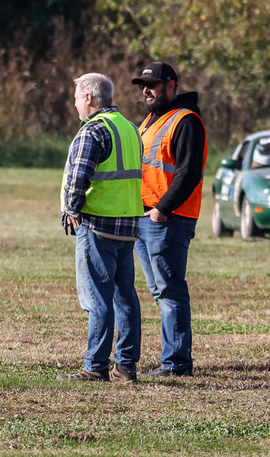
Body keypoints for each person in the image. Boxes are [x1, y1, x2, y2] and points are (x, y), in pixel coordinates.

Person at [58, 73, 144, 383]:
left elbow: (78, 176)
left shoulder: (93, 130)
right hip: (128, 223)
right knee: (125, 297)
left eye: (77, 98)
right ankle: (126, 366)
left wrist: (71, 209)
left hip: (97, 223)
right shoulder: (131, 128)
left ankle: (95, 366)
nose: (75, 104)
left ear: (89, 99)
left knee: (98, 298)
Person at [132, 61, 207, 377]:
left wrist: (161, 210)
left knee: (170, 291)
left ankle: (176, 364)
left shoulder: (186, 120)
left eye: (152, 84)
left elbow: (189, 173)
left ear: (171, 85)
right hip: (145, 217)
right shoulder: (152, 119)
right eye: (143, 85)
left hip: (167, 219)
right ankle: (172, 358)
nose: (146, 90)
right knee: (160, 291)